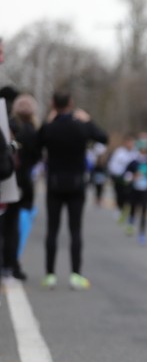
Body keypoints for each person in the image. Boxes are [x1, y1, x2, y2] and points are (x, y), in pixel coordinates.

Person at [37, 91, 108, 290]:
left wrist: (48, 121)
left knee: (52, 229)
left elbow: (35, 144)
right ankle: (75, 275)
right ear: (71, 103)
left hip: (54, 184)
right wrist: (88, 120)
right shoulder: (81, 127)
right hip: (77, 184)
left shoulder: (50, 128)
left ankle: (50, 275)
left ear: (53, 104)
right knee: (75, 230)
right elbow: (103, 138)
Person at [2, 94, 42, 280]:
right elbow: (37, 156)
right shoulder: (34, 131)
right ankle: (12, 263)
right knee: (14, 225)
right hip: (23, 182)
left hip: (7, 179)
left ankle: (6, 262)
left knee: (5, 223)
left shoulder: (9, 126)